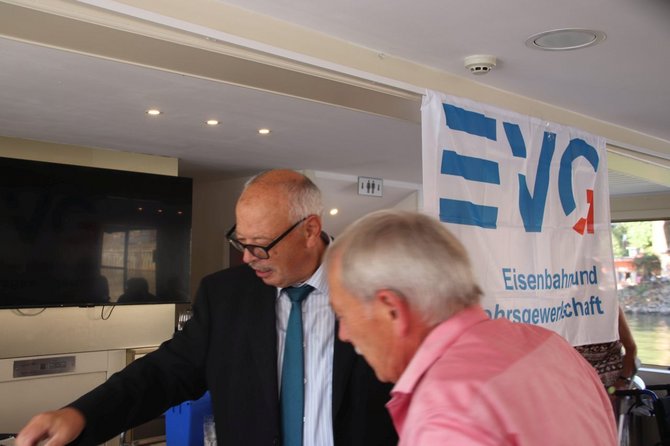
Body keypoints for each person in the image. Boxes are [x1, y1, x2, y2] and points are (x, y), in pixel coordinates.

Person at [17, 170, 397, 446]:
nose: (247, 257)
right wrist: (81, 414)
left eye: (260, 244)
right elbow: (164, 373)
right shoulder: (225, 295)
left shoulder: (380, 289)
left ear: (310, 230)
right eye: (240, 241)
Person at [324, 209, 618, 445]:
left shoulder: (448, 411)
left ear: (392, 310)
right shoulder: (551, 345)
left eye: (343, 315)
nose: (343, 334)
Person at [575, 306, 638, 391]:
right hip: (578, 376)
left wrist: (622, 380)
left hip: (610, 376)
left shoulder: (611, 307)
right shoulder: (566, 312)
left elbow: (631, 348)